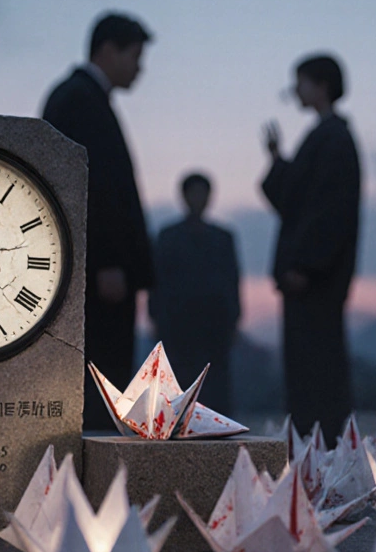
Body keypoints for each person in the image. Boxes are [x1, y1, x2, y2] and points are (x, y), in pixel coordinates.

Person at [42, 12, 154, 431]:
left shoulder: (85, 97)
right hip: (97, 272)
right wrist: (106, 259)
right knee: (99, 374)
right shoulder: (79, 99)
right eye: (135, 56)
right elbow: (86, 186)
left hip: (100, 268)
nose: (139, 68)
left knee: (104, 375)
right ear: (109, 49)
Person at [260, 54, 362, 443]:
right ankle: (315, 446)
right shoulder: (325, 135)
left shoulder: (333, 137)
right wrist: (276, 159)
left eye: (300, 81)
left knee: (318, 369)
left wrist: (306, 265)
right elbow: (298, 202)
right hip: (309, 278)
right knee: (308, 368)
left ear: (320, 84)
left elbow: (329, 211)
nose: (296, 91)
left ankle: (324, 448)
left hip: (314, 279)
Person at [149, 172, 242, 415]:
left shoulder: (223, 238)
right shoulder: (168, 237)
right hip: (177, 325)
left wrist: (233, 319)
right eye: (194, 193)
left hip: (214, 326)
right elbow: (157, 280)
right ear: (184, 197)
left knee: (215, 391)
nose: (198, 199)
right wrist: (156, 317)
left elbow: (232, 281)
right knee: (176, 388)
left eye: (203, 193)